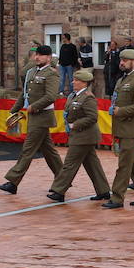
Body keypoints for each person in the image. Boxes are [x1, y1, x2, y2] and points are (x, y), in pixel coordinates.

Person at [0, 44, 63, 194]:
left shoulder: (51, 74)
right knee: (49, 152)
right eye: (36, 54)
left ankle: (13, 181)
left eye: (40, 55)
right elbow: (25, 93)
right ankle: (63, 177)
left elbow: (51, 96)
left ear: (48, 57)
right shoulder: (32, 72)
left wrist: (34, 106)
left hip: (42, 116)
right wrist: (14, 110)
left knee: (27, 150)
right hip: (34, 116)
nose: (37, 57)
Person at [47, 69, 111, 202]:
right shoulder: (73, 96)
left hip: (84, 136)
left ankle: (59, 191)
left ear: (84, 83)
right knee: (92, 164)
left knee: (69, 164)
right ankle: (103, 191)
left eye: (76, 80)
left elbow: (92, 117)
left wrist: (75, 124)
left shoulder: (88, 97)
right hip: (79, 135)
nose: (73, 82)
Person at [103, 48, 134, 208]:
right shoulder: (122, 80)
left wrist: (120, 111)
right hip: (123, 127)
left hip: (133, 128)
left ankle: (117, 198)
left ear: (133, 61)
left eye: (124, 61)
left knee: (124, 165)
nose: (121, 63)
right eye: (121, 60)